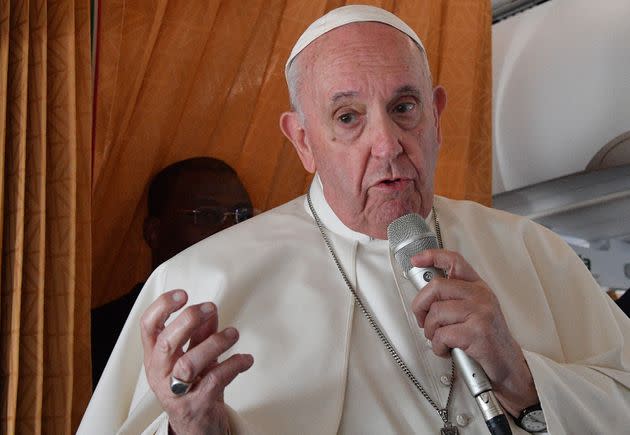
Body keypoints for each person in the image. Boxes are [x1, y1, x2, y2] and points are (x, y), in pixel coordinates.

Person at [79, 5, 630, 435]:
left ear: (435, 117)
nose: (387, 145)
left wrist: (525, 379)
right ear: (303, 141)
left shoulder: (535, 252)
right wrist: (195, 429)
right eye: (348, 117)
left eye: (404, 107)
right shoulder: (199, 283)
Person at [90, 157, 253, 387]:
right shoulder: (98, 335)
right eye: (207, 215)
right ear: (154, 232)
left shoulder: (269, 319)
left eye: (243, 216)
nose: (232, 230)